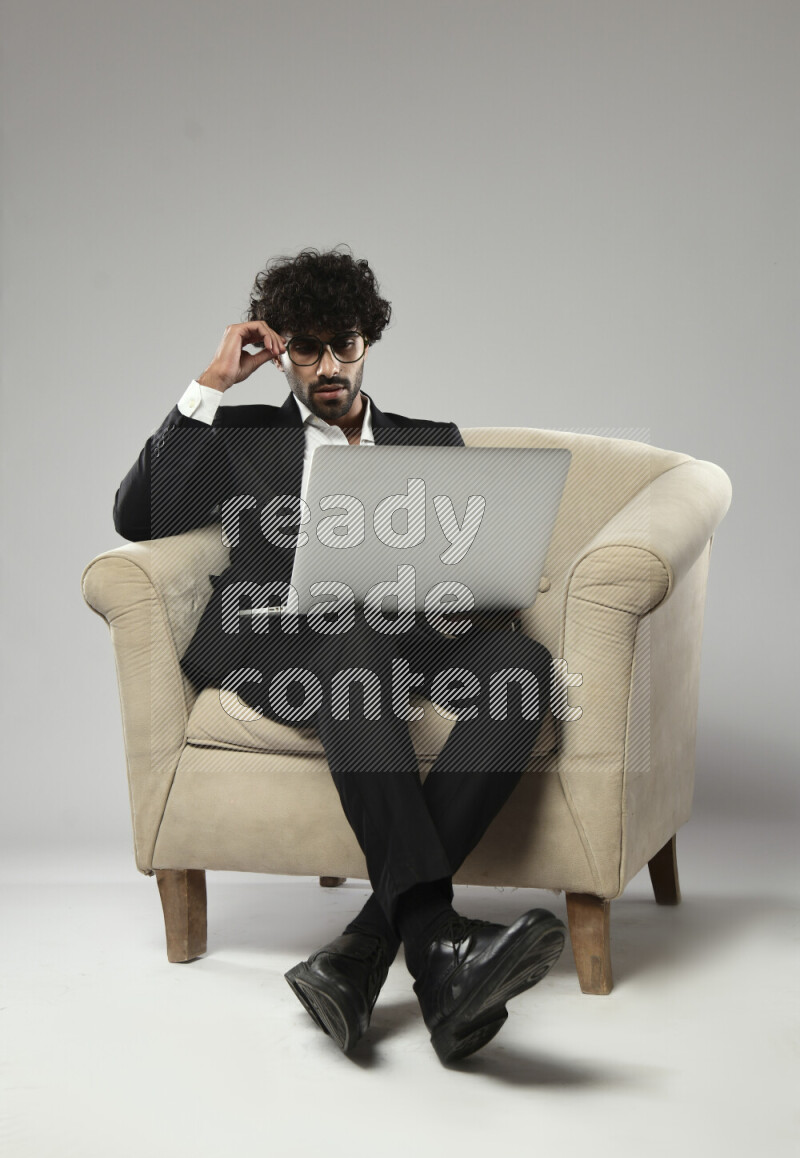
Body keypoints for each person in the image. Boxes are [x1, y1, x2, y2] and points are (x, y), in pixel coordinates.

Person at [113, 246, 566, 1065]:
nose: (328, 365)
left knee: (523, 672)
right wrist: (210, 386)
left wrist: (453, 577)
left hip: (416, 635)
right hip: (288, 646)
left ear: (369, 342)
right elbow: (137, 516)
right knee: (354, 646)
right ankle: (435, 945)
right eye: (307, 348)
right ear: (281, 350)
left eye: (343, 345)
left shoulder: (433, 443)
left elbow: (485, 590)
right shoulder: (241, 438)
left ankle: (359, 956)